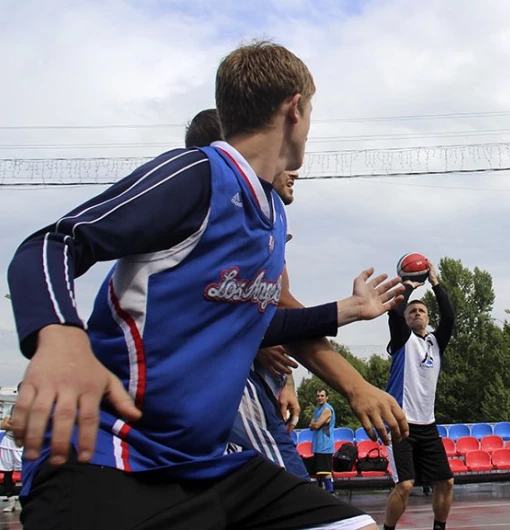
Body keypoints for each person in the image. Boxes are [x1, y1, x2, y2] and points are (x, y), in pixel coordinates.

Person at [6, 41, 409, 530]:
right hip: (106, 457)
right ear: (295, 110)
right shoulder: (197, 175)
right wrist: (59, 338)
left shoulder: (271, 216)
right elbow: (53, 243)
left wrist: (346, 311)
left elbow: (260, 323)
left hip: (204, 466)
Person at [184, 108, 309, 480]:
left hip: (249, 379)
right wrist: (353, 383)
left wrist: (286, 382)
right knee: (291, 484)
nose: (292, 169)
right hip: (220, 378)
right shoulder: (210, 213)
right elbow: (264, 308)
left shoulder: (270, 217)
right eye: (279, 155)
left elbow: (272, 304)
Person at [382, 260, 456, 530]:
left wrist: (435, 283)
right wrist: (409, 285)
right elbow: (394, 311)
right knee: (405, 485)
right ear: (406, 319)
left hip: (427, 425)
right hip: (400, 424)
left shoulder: (435, 342)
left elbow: (449, 317)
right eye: (412, 311)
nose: (416, 313)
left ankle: (439, 527)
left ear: (428, 318)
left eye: (421, 311)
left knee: (446, 482)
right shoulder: (402, 340)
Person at [310, 389, 336, 492]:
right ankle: (321, 493)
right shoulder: (317, 410)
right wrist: (314, 424)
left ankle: (330, 492)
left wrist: (315, 424)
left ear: (326, 397)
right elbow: (311, 425)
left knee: (325, 471)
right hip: (317, 445)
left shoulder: (327, 409)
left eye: (322, 396)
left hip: (325, 445)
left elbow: (316, 425)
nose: (319, 398)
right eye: (318, 396)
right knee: (319, 472)